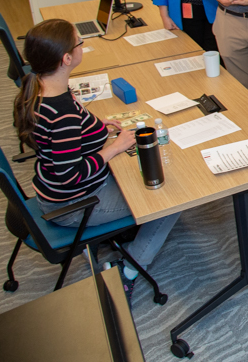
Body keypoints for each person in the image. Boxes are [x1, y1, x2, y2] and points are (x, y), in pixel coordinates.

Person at [12, 19, 179, 301]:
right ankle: (128, 271)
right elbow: (71, 174)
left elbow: (63, 134)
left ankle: (125, 234)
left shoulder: (41, 87)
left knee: (137, 171)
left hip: (53, 188)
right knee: (170, 201)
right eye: (79, 42)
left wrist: (96, 124)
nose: (83, 44)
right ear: (66, 59)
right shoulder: (61, 112)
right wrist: (114, 148)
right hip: (74, 204)